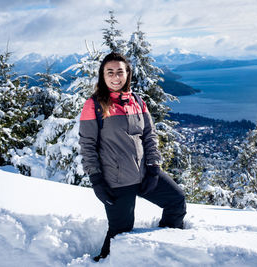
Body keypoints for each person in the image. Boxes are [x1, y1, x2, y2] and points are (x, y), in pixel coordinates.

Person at [79, 52, 186, 262]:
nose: (115, 77)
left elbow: (149, 135)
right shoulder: (93, 105)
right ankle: (104, 262)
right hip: (116, 180)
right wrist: (96, 180)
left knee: (176, 201)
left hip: (145, 174)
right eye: (110, 72)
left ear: (128, 74)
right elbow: (87, 145)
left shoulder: (137, 100)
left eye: (120, 71)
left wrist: (154, 167)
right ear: (103, 75)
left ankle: (162, 254)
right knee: (120, 232)